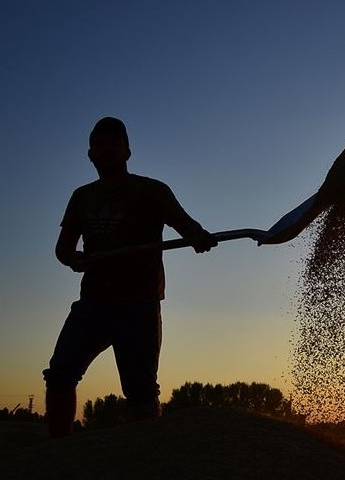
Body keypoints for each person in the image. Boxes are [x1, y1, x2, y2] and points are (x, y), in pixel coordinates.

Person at [43, 117, 218, 437]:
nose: (107, 150)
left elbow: (185, 225)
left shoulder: (152, 191)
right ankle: (57, 448)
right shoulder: (82, 197)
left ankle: (147, 457)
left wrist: (198, 237)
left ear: (127, 152)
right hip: (93, 303)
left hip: (139, 305)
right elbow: (63, 248)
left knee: (140, 394)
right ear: (90, 154)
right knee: (60, 375)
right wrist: (74, 259)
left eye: (114, 144)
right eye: (100, 145)